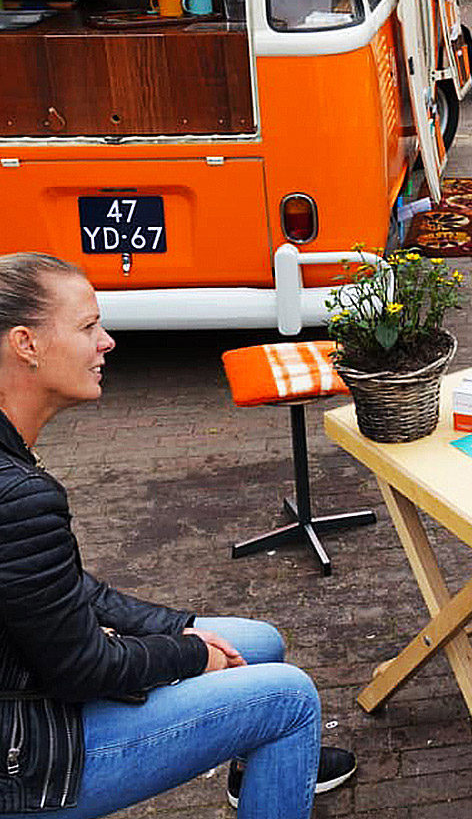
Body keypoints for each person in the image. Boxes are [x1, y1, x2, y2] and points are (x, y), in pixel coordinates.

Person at [0, 252, 356, 819]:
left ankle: (265, 771)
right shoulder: (18, 497)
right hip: (29, 759)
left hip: (28, 704)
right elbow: (82, 670)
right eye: (88, 326)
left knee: (258, 641)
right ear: (27, 344)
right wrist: (189, 654)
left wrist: (178, 629)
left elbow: (66, 589)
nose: (107, 342)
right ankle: (276, 739)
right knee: (289, 698)